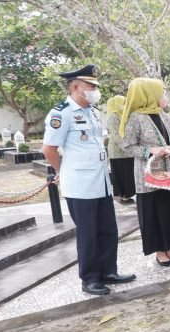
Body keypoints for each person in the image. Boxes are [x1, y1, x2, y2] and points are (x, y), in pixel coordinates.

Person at [42, 64, 135, 296]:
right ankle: (90, 278)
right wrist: (62, 171)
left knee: (107, 230)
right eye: (90, 85)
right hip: (80, 185)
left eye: (95, 85)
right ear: (75, 86)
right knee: (88, 233)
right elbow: (49, 148)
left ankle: (108, 272)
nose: (95, 89)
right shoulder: (61, 113)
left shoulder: (92, 111)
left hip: (101, 182)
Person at [120, 78, 170, 267]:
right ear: (149, 94)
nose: (164, 96)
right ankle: (160, 251)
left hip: (168, 174)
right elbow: (127, 146)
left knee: (169, 209)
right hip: (148, 176)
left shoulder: (166, 116)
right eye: (161, 92)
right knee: (153, 211)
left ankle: (169, 248)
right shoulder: (135, 118)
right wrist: (150, 151)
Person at [106, 95, 136, 203]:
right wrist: (125, 146)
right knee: (121, 172)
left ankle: (130, 193)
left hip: (128, 149)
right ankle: (124, 194)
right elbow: (115, 134)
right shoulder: (113, 116)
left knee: (129, 172)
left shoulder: (125, 114)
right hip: (118, 150)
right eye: (123, 102)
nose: (125, 105)